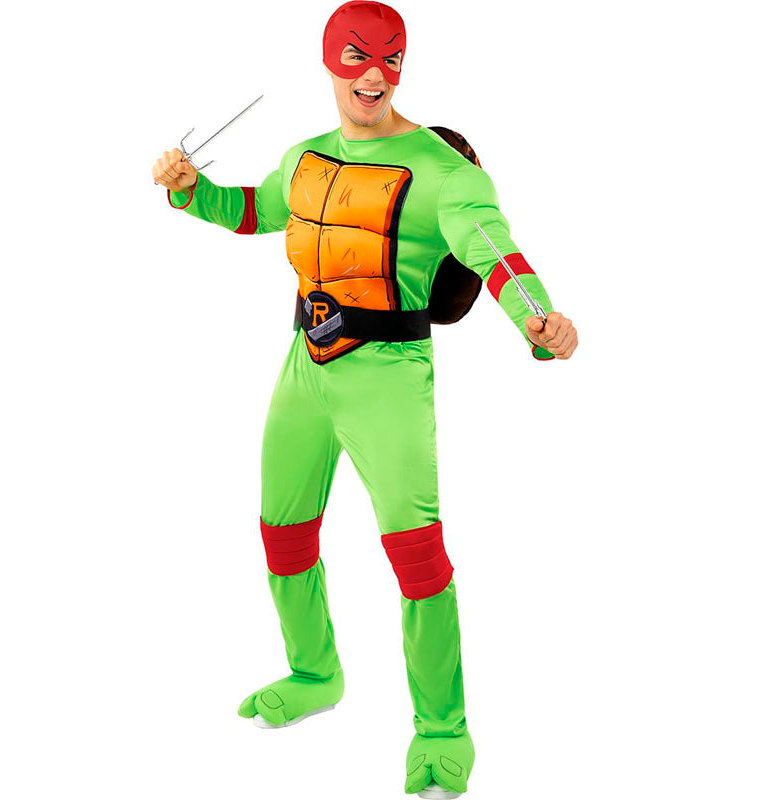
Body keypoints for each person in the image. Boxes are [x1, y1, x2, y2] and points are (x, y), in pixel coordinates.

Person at [152, 1, 578, 796]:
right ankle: (315, 672)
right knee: (282, 529)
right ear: (330, 62)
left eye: (390, 58)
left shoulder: (445, 173)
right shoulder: (305, 156)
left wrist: (539, 321)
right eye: (356, 56)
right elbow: (257, 211)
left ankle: (442, 728)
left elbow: (495, 251)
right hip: (305, 365)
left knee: (416, 555)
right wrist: (189, 190)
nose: (375, 75)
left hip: (388, 376)